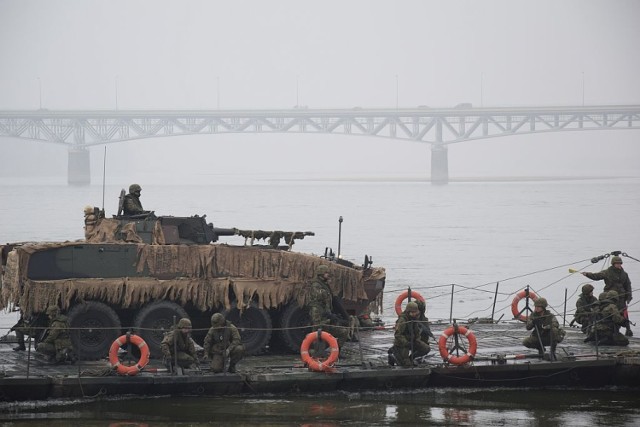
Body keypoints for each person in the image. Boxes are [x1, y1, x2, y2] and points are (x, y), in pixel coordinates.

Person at [581, 255, 632, 336]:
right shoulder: (607, 272)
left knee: (623, 314)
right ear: (613, 264)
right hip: (610, 298)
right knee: (609, 313)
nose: (619, 265)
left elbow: (628, 285)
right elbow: (596, 276)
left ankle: (628, 330)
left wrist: (629, 296)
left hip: (621, 298)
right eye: (617, 263)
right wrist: (587, 274)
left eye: (620, 263)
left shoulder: (624, 274)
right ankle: (610, 330)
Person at [306, 264, 349, 348]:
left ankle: (333, 352)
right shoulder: (316, 285)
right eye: (326, 273)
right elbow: (317, 324)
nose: (328, 275)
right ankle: (328, 352)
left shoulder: (323, 284)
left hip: (325, 318)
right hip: (321, 323)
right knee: (343, 332)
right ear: (321, 274)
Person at [388, 301, 430, 367]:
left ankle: (411, 358)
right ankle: (393, 356)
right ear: (408, 312)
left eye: (415, 312)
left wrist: (417, 340)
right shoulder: (403, 320)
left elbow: (416, 331)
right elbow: (398, 335)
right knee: (406, 365)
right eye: (412, 312)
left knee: (426, 348)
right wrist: (406, 343)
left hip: (412, 340)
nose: (414, 314)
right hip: (403, 343)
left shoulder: (414, 318)